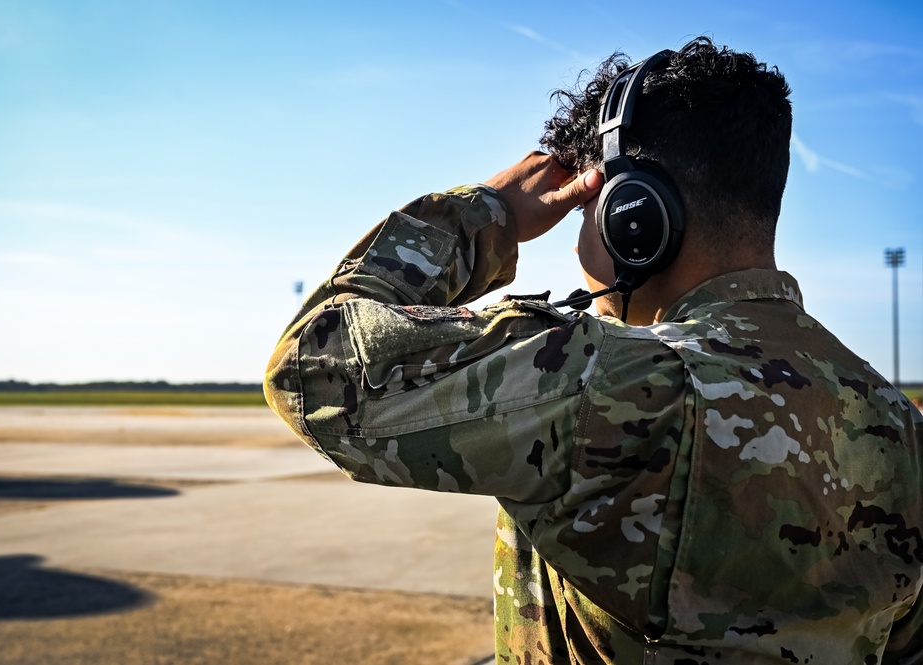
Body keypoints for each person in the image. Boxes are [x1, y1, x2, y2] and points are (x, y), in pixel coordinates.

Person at [264, 37, 922, 663]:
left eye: (585, 215)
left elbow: (314, 368)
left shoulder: (614, 387)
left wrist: (484, 213)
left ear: (633, 219)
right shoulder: (900, 426)